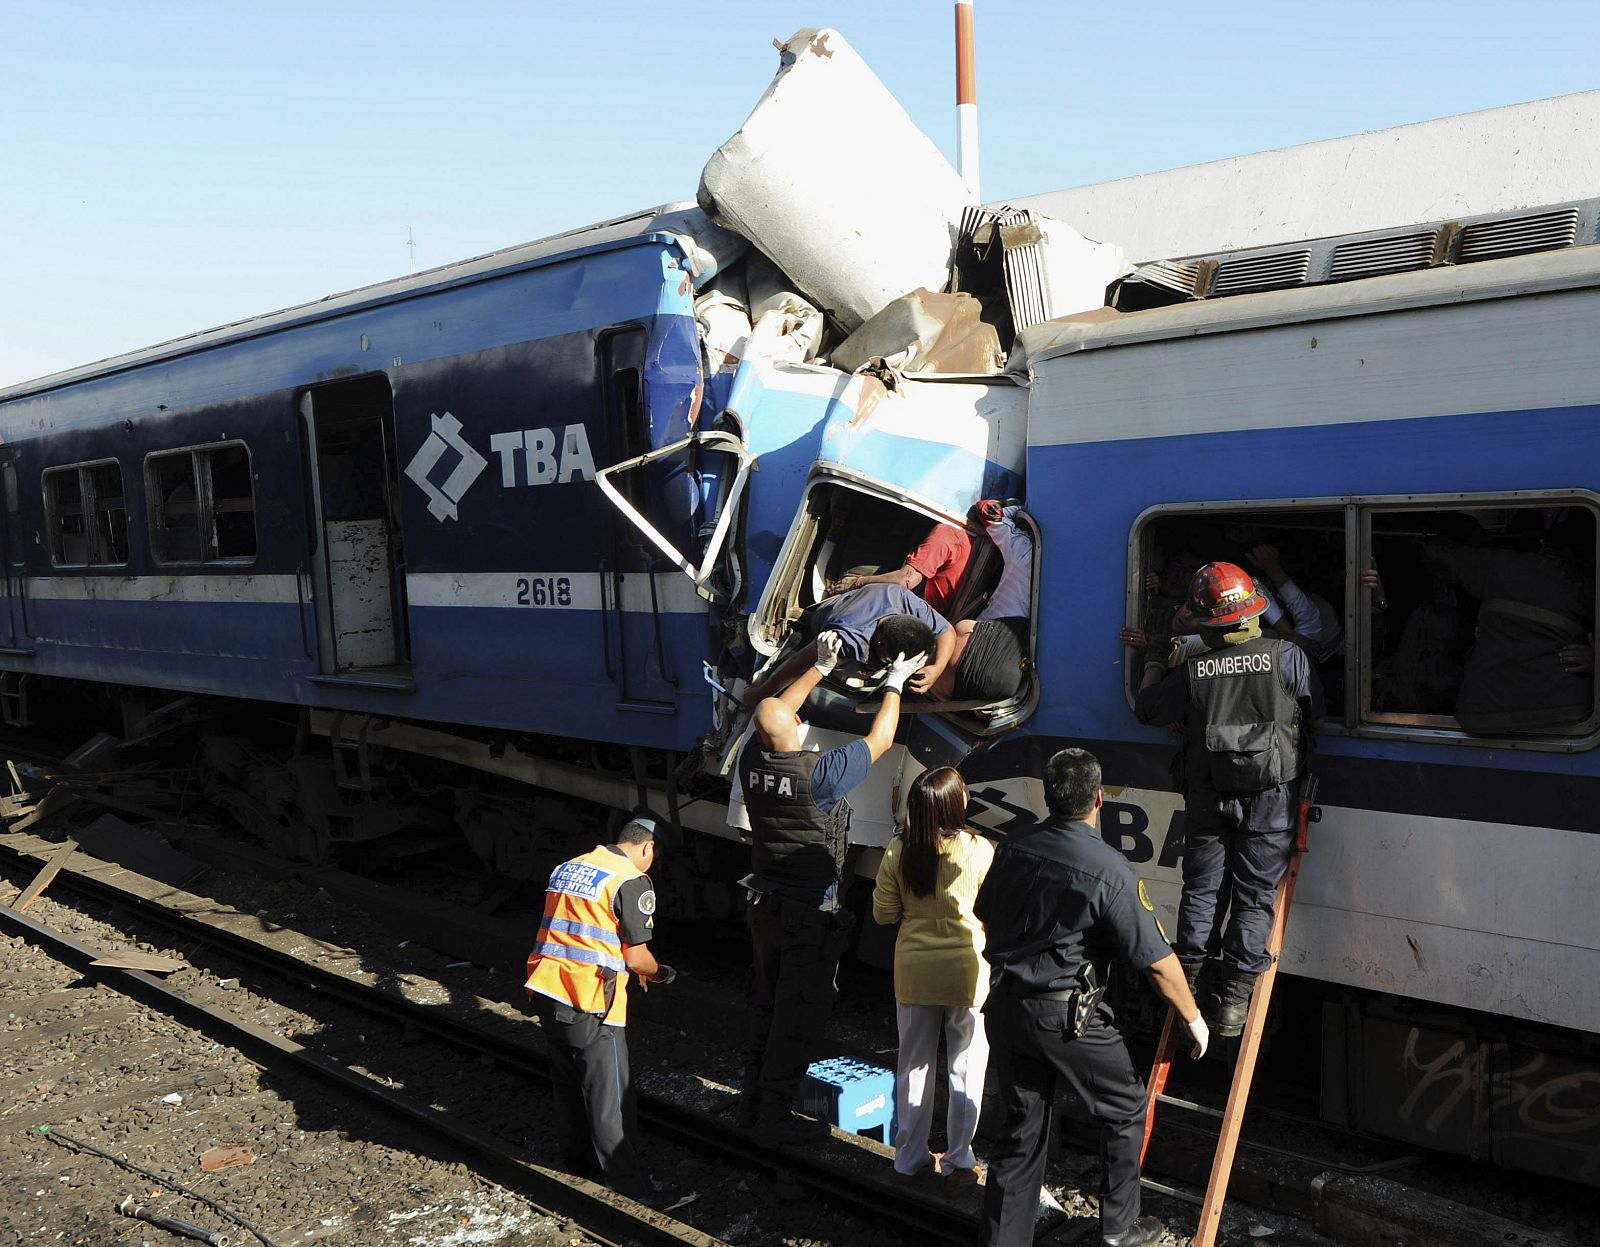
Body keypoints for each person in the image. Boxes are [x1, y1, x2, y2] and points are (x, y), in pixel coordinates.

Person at [975, 749, 1207, 1247]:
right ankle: (1120, 1230)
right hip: (1065, 1018)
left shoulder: (1014, 845)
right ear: (1099, 799)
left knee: (1020, 1132)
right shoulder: (1109, 868)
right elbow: (1157, 961)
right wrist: (1193, 1017)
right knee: (1125, 1107)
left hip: (1007, 1006)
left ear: (1047, 794)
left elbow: (985, 911)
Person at [737, 630, 927, 1144]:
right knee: (795, 1016)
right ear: (795, 733)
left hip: (765, 906)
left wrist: (819, 667)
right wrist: (895, 684)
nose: (801, 717)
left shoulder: (751, 761)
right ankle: (774, 1119)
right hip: (806, 915)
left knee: (765, 1003)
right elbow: (881, 739)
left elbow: (775, 714)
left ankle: (750, 1099)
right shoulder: (818, 776)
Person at [1134, 562, 1323, 1037]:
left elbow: (1148, 710)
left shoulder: (1194, 669)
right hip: (1271, 800)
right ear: (1253, 611)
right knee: (1254, 897)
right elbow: (1314, 715)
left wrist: (1156, 657)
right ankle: (1235, 1005)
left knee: (1201, 893)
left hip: (1207, 798)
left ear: (1207, 621)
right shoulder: (1288, 657)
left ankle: (1189, 994)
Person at [525, 815, 675, 1201]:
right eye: (654, 858)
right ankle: (628, 1190)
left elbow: (578, 928)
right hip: (590, 1001)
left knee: (568, 1087)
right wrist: (662, 974)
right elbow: (639, 958)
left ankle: (577, 1167)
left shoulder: (570, 866)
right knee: (611, 1099)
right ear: (648, 848)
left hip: (547, 987)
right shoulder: (630, 880)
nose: (652, 865)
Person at [871, 766, 995, 1193]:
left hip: (915, 973)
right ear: (951, 804)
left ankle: (909, 1158)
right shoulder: (979, 849)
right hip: (966, 973)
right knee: (965, 1066)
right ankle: (959, 1161)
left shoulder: (898, 850)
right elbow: (996, 912)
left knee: (914, 1067)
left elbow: (883, 914)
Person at [741, 581, 954, 706]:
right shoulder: (847, 640)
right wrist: (760, 693)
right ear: (879, 644)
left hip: (853, 602)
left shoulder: (902, 598)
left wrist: (937, 667)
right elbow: (800, 662)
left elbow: (947, 631)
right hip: (828, 617)